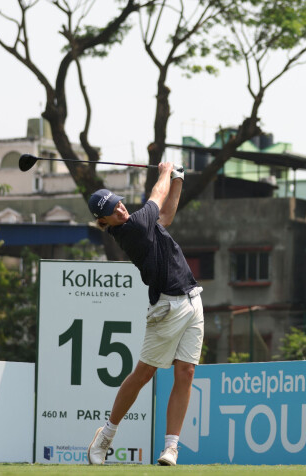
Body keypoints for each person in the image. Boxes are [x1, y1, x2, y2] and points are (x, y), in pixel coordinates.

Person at [85, 161, 203, 467]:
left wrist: (178, 179)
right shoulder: (133, 228)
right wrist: (165, 172)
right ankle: (106, 436)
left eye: (119, 203)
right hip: (166, 308)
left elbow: (165, 216)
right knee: (143, 374)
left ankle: (171, 448)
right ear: (103, 220)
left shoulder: (142, 223)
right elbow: (156, 196)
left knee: (186, 372)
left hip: (192, 300)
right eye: (112, 210)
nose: (120, 209)